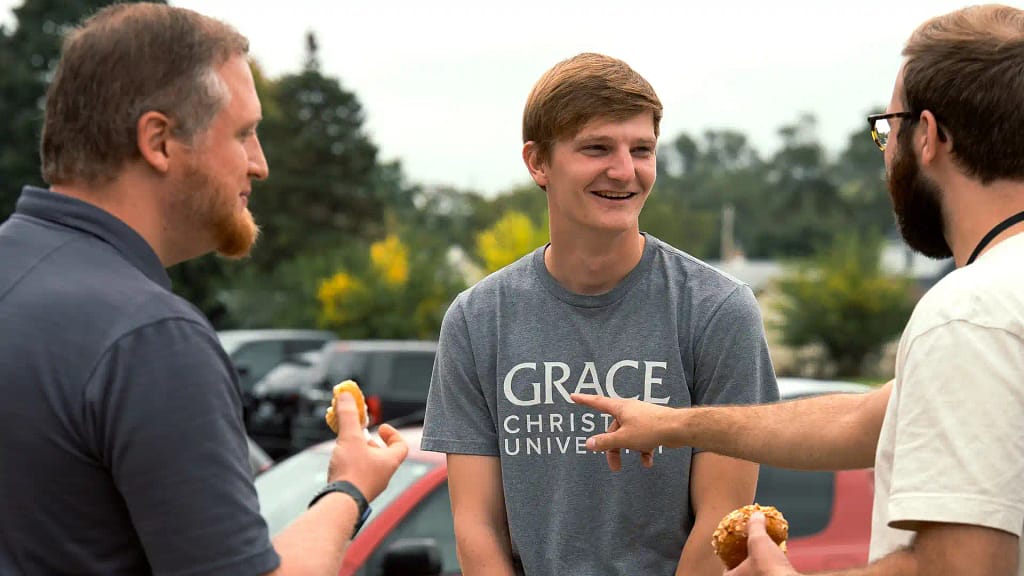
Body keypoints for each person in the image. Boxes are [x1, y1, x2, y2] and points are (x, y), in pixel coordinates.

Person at [573, 5, 1024, 575]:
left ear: (929, 136)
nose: (887, 150)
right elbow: (861, 421)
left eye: (889, 127)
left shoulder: (969, 314)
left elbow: (962, 568)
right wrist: (676, 424)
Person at [0, 4, 407, 575]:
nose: (260, 164)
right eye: (243, 134)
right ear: (160, 141)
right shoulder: (150, 338)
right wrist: (350, 487)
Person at [421, 52, 778, 575]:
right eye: (597, 148)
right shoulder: (478, 320)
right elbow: (477, 525)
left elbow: (722, 520)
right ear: (538, 162)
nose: (624, 170)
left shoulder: (717, 310)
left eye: (642, 150)